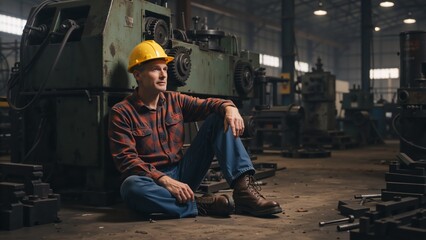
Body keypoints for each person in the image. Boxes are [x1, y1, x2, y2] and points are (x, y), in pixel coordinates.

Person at [108, 40, 282, 218]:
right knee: (131, 188)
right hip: (151, 181)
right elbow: (127, 161)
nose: (163, 75)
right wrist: (164, 180)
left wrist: (230, 108)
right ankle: (200, 205)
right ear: (138, 75)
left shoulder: (175, 100)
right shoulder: (122, 112)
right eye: (155, 69)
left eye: (165, 69)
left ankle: (244, 193)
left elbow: (210, 104)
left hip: (184, 172)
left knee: (217, 118)